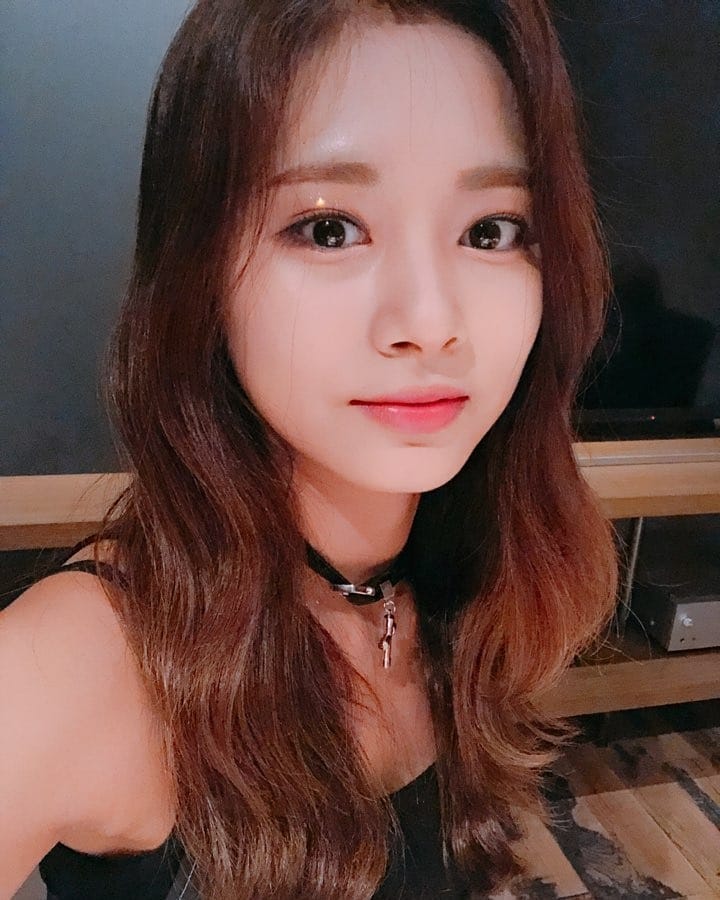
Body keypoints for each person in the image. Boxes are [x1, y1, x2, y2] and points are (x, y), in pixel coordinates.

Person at [0, 1, 618, 897]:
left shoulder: (476, 573)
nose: (430, 322)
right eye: (329, 229)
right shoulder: (74, 664)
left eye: (490, 230)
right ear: (200, 271)